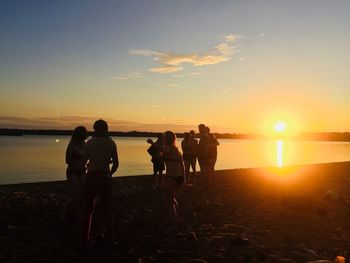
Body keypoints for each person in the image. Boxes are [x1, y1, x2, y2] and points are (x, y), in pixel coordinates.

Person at [81, 119, 119, 247]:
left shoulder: (89, 143)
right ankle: (110, 235)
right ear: (106, 129)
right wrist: (110, 174)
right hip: (105, 176)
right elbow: (116, 163)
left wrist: (86, 168)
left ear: (95, 129)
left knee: (88, 207)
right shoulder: (111, 143)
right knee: (107, 207)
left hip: (92, 175)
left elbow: (83, 162)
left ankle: (85, 236)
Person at [61, 126, 88, 222]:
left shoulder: (85, 145)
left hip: (82, 172)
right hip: (72, 172)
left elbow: (87, 158)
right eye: (84, 133)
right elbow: (67, 160)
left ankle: (78, 213)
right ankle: (64, 213)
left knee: (84, 194)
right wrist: (77, 166)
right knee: (77, 195)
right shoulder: (72, 145)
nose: (86, 134)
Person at [162, 131, 184, 230]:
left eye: (164, 138)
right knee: (172, 198)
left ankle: (174, 224)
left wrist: (153, 144)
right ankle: (176, 219)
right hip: (178, 177)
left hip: (172, 177)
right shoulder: (177, 150)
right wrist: (184, 178)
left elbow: (159, 153)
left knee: (169, 201)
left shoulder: (169, 149)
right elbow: (182, 165)